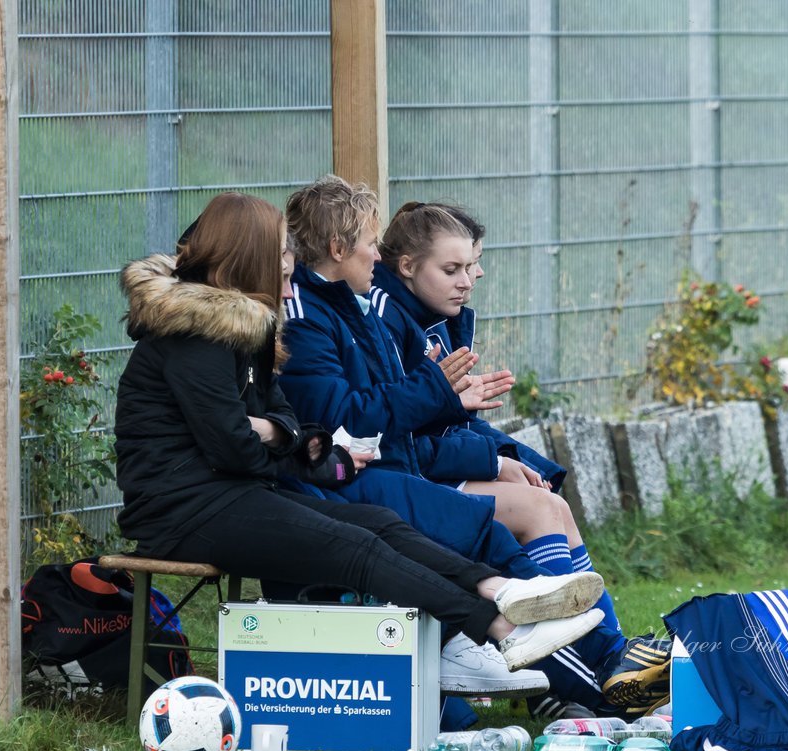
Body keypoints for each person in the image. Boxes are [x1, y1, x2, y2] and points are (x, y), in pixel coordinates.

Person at [112, 191, 604, 682]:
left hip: (232, 494)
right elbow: (235, 448)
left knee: (378, 523)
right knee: (356, 548)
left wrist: (271, 433)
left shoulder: (246, 328)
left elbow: (280, 421)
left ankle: (500, 590)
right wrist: (269, 436)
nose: (289, 286)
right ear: (248, 263)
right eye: (282, 271)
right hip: (183, 512)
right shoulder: (193, 338)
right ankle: (500, 630)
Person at [278, 176, 669, 718]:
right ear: (341, 249)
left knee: (535, 506)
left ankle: (597, 660)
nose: (472, 278)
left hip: (385, 470)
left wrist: (496, 446)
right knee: (506, 525)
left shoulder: (358, 305)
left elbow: (394, 413)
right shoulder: (341, 313)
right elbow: (358, 421)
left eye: (473, 265)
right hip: (353, 481)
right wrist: (458, 417)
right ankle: (602, 682)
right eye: (455, 267)